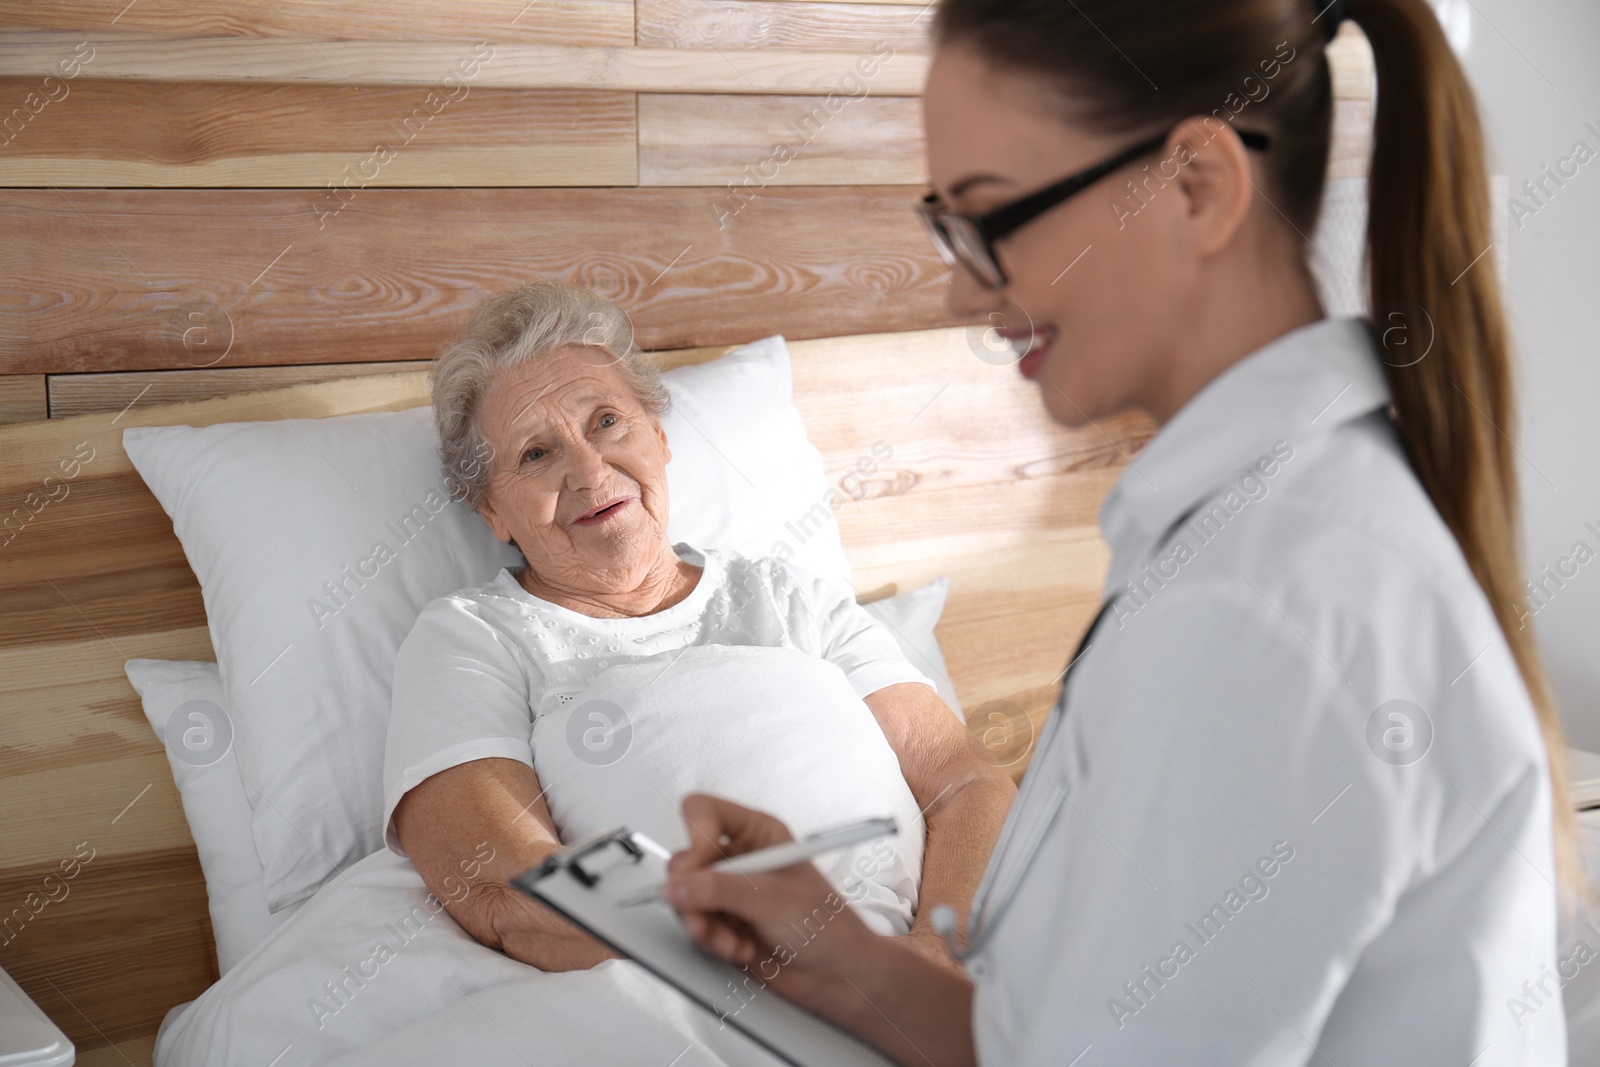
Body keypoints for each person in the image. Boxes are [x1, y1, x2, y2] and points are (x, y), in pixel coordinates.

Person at [660, 0, 1582, 1063]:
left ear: (1196, 183)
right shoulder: (1253, 534)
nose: (963, 285)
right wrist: (843, 958)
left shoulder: (1260, 610)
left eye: (992, 217)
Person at [385, 281, 1016, 973]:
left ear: (658, 437)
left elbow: (965, 784)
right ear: (492, 512)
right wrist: (777, 974)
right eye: (537, 454)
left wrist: (933, 955)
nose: (589, 469)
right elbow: (505, 884)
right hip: (711, 995)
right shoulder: (474, 637)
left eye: (606, 421)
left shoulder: (790, 597)